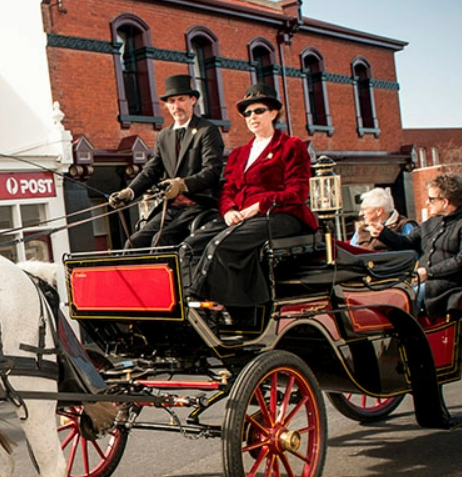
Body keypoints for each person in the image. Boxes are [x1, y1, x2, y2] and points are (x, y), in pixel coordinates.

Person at [183, 83, 318, 326]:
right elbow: (228, 190)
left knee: (221, 244)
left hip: (283, 215)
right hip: (243, 216)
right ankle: (191, 302)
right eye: (247, 113)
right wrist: (229, 211)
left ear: (273, 113)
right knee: (190, 244)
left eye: (259, 111)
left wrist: (258, 206)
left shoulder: (291, 146)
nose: (252, 117)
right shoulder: (239, 154)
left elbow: (298, 191)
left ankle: (224, 305)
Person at [107, 74, 224, 248]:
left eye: (181, 99)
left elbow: (212, 172)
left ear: (193, 100)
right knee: (133, 244)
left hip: (199, 205)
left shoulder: (207, 130)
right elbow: (152, 170)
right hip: (171, 207)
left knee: (161, 241)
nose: (176, 106)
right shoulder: (164, 135)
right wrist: (129, 192)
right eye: (171, 101)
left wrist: (182, 184)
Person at [371, 173, 462, 318]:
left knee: (407, 300)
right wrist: (383, 233)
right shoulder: (432, 222)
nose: (427, 202)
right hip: (421, 279)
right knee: (389, 295)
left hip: (449, 283)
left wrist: (429, 272)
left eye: (431, 199)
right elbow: (406, 242)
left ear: (444, 202)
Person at [351, 187, 417, 251]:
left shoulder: (404, 226)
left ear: (379, 211)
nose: (360, 214)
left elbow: (412, 254)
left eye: (364, 209)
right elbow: (351, 253)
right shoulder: (361, 230)